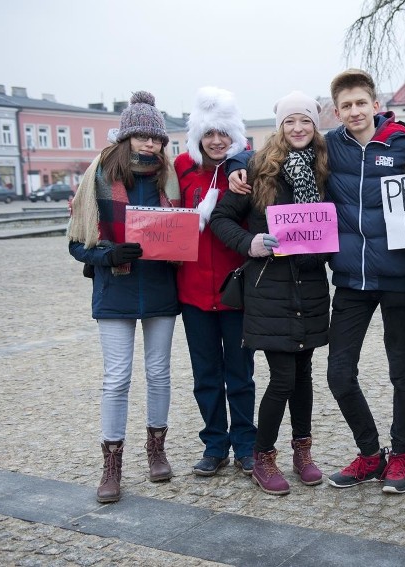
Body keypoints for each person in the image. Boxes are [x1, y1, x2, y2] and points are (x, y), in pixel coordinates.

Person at [227, 69, 405, 494]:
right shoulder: (329, 148)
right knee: (339, 373)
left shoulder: (404, 141)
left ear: (374, 103)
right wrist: (236, 168)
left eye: (360, 103)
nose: (353, 111)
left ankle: (401, 455)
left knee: (401, 371)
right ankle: (370, 453)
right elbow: (274, 152)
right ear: (336, 111)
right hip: (350, 278)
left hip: (398, 277)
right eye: (345, 106)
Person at [210, 90, 330, 496]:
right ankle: (263, 456)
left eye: (306, 121)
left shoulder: (326, 167)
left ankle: (303, 452)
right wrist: (250, 244)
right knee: (281, 379)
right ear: (279, 126)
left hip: (311, 286)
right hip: (270, 288)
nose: (298, 128)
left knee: (304, 377)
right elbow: (221, 220)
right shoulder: (254, 168)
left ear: (315, 126)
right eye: (290, 121)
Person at [67, 91, 180, 503]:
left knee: (159, 372)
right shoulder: (98, 176)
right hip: (114, 289)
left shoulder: (169, 178)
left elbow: (185, 230)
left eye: (156, 138)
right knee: (116, 378)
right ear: (126, 137)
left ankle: (157, 450)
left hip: (160, 289)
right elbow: (77, 243)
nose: (149, 144)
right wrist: (106, 254)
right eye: (141, 137)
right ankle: (111, 463)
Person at [174, 86, 257, 478]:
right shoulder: (181, 170)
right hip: (193, 292)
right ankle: (214, 444)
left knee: (240, 374)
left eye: (223, 133)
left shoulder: (247, 170)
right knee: (206, 375)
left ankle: (246, 444)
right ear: (198, 137)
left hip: (236, 289)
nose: (217, 140)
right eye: (209, 133)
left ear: (235, 135)